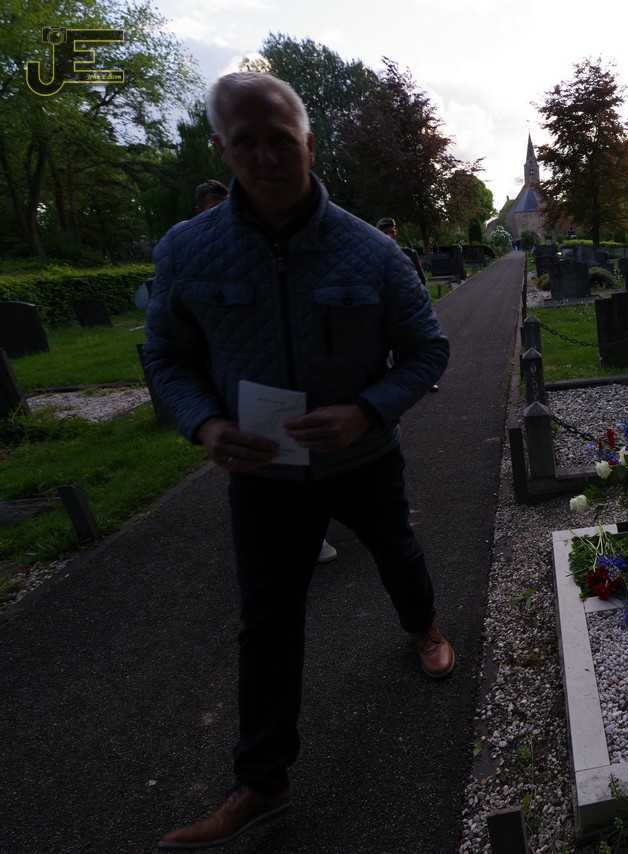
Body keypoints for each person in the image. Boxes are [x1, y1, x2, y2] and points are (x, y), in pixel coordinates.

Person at [143, 71, 453, 849]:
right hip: (263, 474)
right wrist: (204, 425)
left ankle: (422, 625)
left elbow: (426, 350)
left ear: (309, 144)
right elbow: (168, 357)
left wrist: (365, 411)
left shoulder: (371, 252)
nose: (265, 157)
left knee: (397, 551)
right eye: (245, 141)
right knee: (267, 620)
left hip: (362, 459)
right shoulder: (188, 251)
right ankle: (262, 781)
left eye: (280, 140)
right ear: (222, 148)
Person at [194, 179, 341, 563]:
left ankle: (316, 527)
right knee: (264, 463)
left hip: (291, 367)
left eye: (225, 205)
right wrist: (204, 419)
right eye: (212, 208)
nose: (221, 215)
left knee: (307, 452)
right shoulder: (192, 249)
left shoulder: (261, 239)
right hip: (239, 378)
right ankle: (293, 533)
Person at [378, 217, 440, 393]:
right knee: (389, 350)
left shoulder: (409, 254)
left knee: (418, 345)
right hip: (387, 310)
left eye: (392, 232)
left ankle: (425, 380)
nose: (390, 235)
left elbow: (420, 279)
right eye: (385, 233)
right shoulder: (375, 256)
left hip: (409, 307)